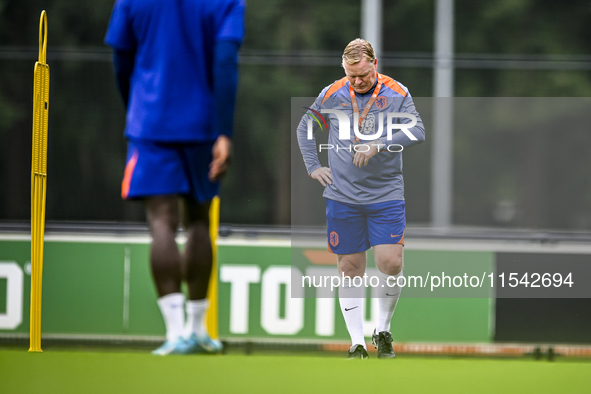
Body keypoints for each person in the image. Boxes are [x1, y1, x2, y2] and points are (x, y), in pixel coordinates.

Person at [105, 0, 245, 355]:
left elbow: (121, 57)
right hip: (203, 126)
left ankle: (174, 332)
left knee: (161, 222)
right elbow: (225, 62)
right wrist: (223, 131)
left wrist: (136, 103)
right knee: (198, 219)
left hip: (150, 122)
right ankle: (198, 330)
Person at [297, 38, 425, 359]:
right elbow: (305, 128)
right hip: (343, 196)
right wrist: (313, 166)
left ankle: (382, 330)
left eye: (363, 75)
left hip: (385, 193)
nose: (356, 81)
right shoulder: (333, 93)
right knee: (349, 267)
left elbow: (417, 131)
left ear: (375, 65)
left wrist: (379, 144)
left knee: (390, 263)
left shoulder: (397, 93)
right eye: (351, 75)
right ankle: (356, 343)